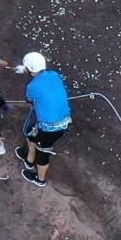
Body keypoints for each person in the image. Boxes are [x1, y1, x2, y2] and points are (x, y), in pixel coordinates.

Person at [16, 52, 71, 187]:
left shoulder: (32, 86)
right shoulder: (54, 75)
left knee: (43, 152)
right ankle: (29, 160)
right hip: (60, 121)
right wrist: (26, 69)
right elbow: (39, 76)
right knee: (31, 131)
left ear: (29, 69)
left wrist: (26, 71)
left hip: (51, 128)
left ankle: (40, 180)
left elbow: (29, 99)